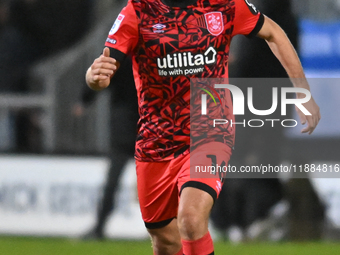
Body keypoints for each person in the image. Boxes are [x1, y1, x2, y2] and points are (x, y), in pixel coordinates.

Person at [85, 0, 320, 254]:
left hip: (209, 130)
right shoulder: (138, 10)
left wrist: (302, 90)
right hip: (157, 140)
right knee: (164, 239)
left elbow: (273, 32)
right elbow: (101, 69)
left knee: (191, 218)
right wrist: (94, 78)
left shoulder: (224, 5)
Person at [210, 0, 298, 241]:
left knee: (238, 160)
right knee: (253, 162)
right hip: (267, 97)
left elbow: (241, 59)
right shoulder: (280, 16)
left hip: (250, 95)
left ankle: (235, 220)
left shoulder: (254, 13)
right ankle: (247, 219)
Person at [77, 57, 139, 240]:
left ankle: (99, 226)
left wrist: (84, 100)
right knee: (158, 182)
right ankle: (164, 228)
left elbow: (99, 78)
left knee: (112, 182)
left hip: (123, 129)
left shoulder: (118, 58)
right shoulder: (153, 54)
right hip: (148, 128)